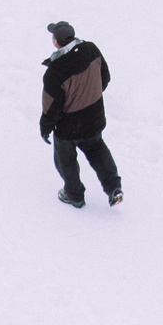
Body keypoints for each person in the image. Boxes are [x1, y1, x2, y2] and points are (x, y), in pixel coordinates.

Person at [39, 21, 120, 208]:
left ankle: (74, 195)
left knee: (65, 159)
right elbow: (104, 76)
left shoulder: (55, 71)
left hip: (69, 126)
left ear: (55, 42)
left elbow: (51, 106)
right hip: (94, 117)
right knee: (97, 149)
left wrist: (45, 127)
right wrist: (90, 97)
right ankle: (114, 187)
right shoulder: (91, 50)